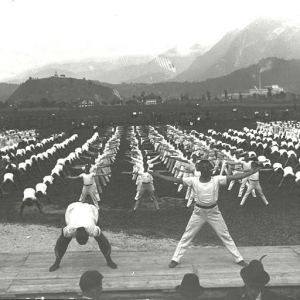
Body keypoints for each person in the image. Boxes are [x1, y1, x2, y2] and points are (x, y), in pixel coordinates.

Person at [150, 159, 263, 268]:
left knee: (225, 235)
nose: (205, 170)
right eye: (203, 168)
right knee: (187, 235)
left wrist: (251, 172)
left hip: (214, 212)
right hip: (198, 213)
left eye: (207, 168)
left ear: (210, 169)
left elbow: (234, 177)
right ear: (199, 169)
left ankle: (239, 259)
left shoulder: (217, 179)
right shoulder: (193, 180)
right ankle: (175, 259)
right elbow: (176, 180)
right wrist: (159, 176)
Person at [49, 202, 117, 272]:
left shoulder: (92, 229)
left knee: (100, 240)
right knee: (64, 242)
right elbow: (59, 244)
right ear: (75, 234)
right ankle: (57, 263)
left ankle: (109, 261)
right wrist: (57, 252)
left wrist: (108, 250)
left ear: (88, 234)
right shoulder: (69, 230)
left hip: (90, 210)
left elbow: (106, 244)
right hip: (73, 209)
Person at [225, 255, 293, 300]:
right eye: (251, 287)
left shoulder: (272, 297)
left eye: (257, 287)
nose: (254, 291)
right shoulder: (233, 296)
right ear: (245, 282)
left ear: (262, 285)